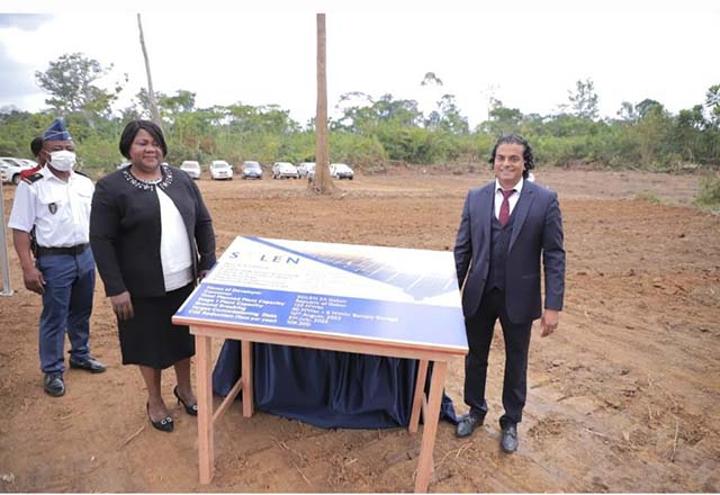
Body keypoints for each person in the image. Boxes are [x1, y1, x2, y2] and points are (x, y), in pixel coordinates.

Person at [90, 120, 216, 433]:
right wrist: (115, 288)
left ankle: (184, 390)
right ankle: (155, 400)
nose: (151, 149)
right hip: (139, 288)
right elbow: (101, 240)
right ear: (128, 148)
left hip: (184, 281)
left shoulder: (181, 179)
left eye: (156, 143)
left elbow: (203, 222)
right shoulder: (110, 188)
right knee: (148, 346)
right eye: (142, 143)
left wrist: (208, 261)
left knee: (183, 341)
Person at [453, 133, 565, 453]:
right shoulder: (475, 197)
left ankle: (511, 421)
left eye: (514, 158)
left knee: (517, 360)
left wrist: (553, 305)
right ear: (494, 162)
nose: (506, 163)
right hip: (479, 293)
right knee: (476, 356)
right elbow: (462, 251)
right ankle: (475, 410)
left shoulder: (544, 200)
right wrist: (448, 293)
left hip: (520, 296)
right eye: (501, 158)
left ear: (524, 163)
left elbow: (554, 255)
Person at [8, 118, 106, 398]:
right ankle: (52, 369)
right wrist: (28, 268)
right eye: (57, 148)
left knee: (82, 310)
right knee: (54, 316)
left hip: (85, 255)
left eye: (68, 147)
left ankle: (81, 354)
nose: (64, 152)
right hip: (54, 260)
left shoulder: (84, 183)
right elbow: (20, 229)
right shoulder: (32, 184)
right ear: (44, 153)